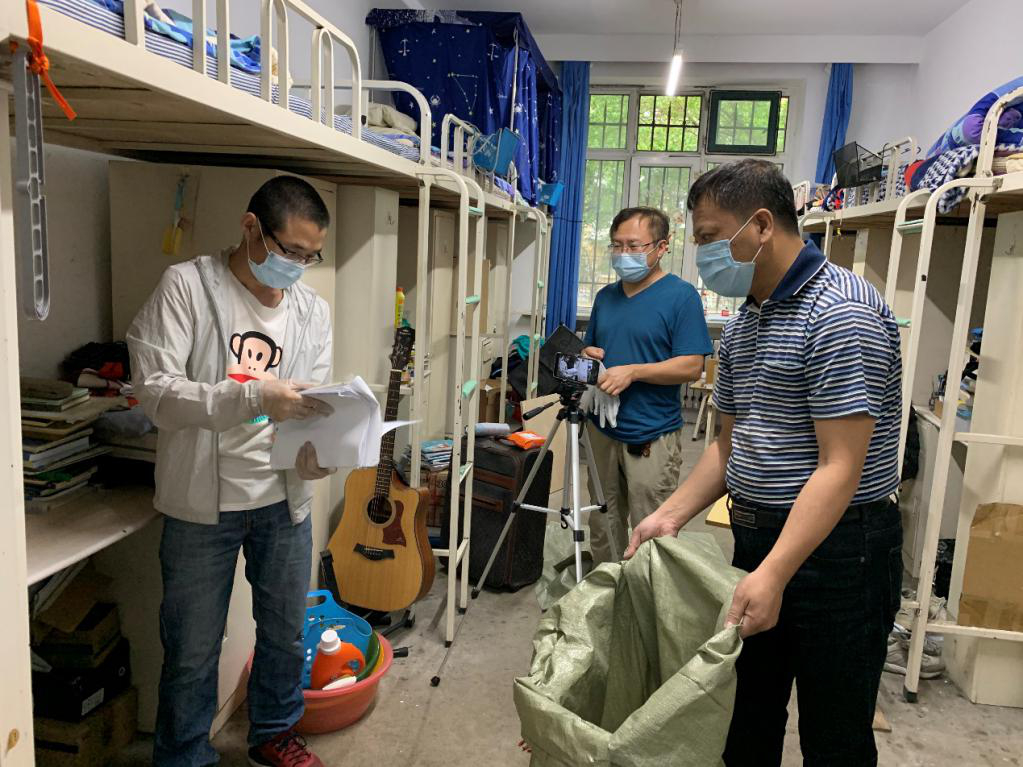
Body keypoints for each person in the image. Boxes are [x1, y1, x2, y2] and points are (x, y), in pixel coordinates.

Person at [624, 160, 903, 766]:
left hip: (840, 553)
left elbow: (839, 468)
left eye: (708, 237)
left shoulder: (841, 313)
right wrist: (669, 516)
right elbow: (729, 443)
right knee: (745, 721)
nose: (701, 255)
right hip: (758, 538)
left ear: (760, 225)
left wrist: (774, 573)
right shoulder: (749, 317)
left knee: (835, 736)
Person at [128, 176, 337, 767]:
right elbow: (156, 392)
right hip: (202, 508)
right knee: (192, 648)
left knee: (285, 632)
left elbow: (316, 400)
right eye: (289, 251)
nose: (297, 267)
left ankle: (274, 732)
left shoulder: (311, 310)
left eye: (310, 256)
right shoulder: (188, 287)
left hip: (283, 501)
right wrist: (252, 398)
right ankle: (185, 755)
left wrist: (321, 451)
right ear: (251, 228)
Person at [581, 206, 713, 565]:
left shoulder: (681, 297)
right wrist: (588, 354)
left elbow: (692, 366)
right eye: (617, 245)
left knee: (651, 528)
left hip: (650, 434)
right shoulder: (605, 297)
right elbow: (593, 348)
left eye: (634, 246)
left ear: (661, 247)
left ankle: (646, 593)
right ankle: (608, 586)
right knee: (603, 518)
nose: (623, 254)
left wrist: (634, 372)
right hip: (602, 429)